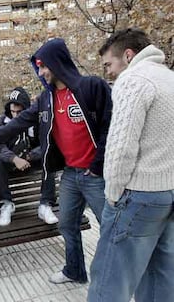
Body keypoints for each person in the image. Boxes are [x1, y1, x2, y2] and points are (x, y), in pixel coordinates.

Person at [0, 38, 112, 284]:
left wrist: (98, 166)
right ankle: (74, 270)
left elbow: (109, 127)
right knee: (66, 225)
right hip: (70, 175)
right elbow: (19, 122)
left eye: (44, 66)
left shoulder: (91, 86)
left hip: (96, 175)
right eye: (39, 67)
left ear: (57, 62)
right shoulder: (47, 98)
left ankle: (112, 277)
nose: (41, 72)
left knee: (109, 227)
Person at [88, 28, 174, 302]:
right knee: (160, 275)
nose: (109, 73)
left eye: (109, 65)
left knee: (110, 281)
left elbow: (121, 147)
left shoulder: (133, 80)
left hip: (138, 195)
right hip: (169, 195)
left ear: (128, 55)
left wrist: (113, 196)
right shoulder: (170, 79)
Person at [0, 87, 58, 226]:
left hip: (30, 160)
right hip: (11, 162)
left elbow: (48, 142)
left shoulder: (38, 121)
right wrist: (14, 159)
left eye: (19, 112)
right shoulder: (3, 122)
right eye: (13, 111)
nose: (16, 115)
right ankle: (7, 204)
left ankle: (45, 205)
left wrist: (30, 156)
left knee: (49, 157)